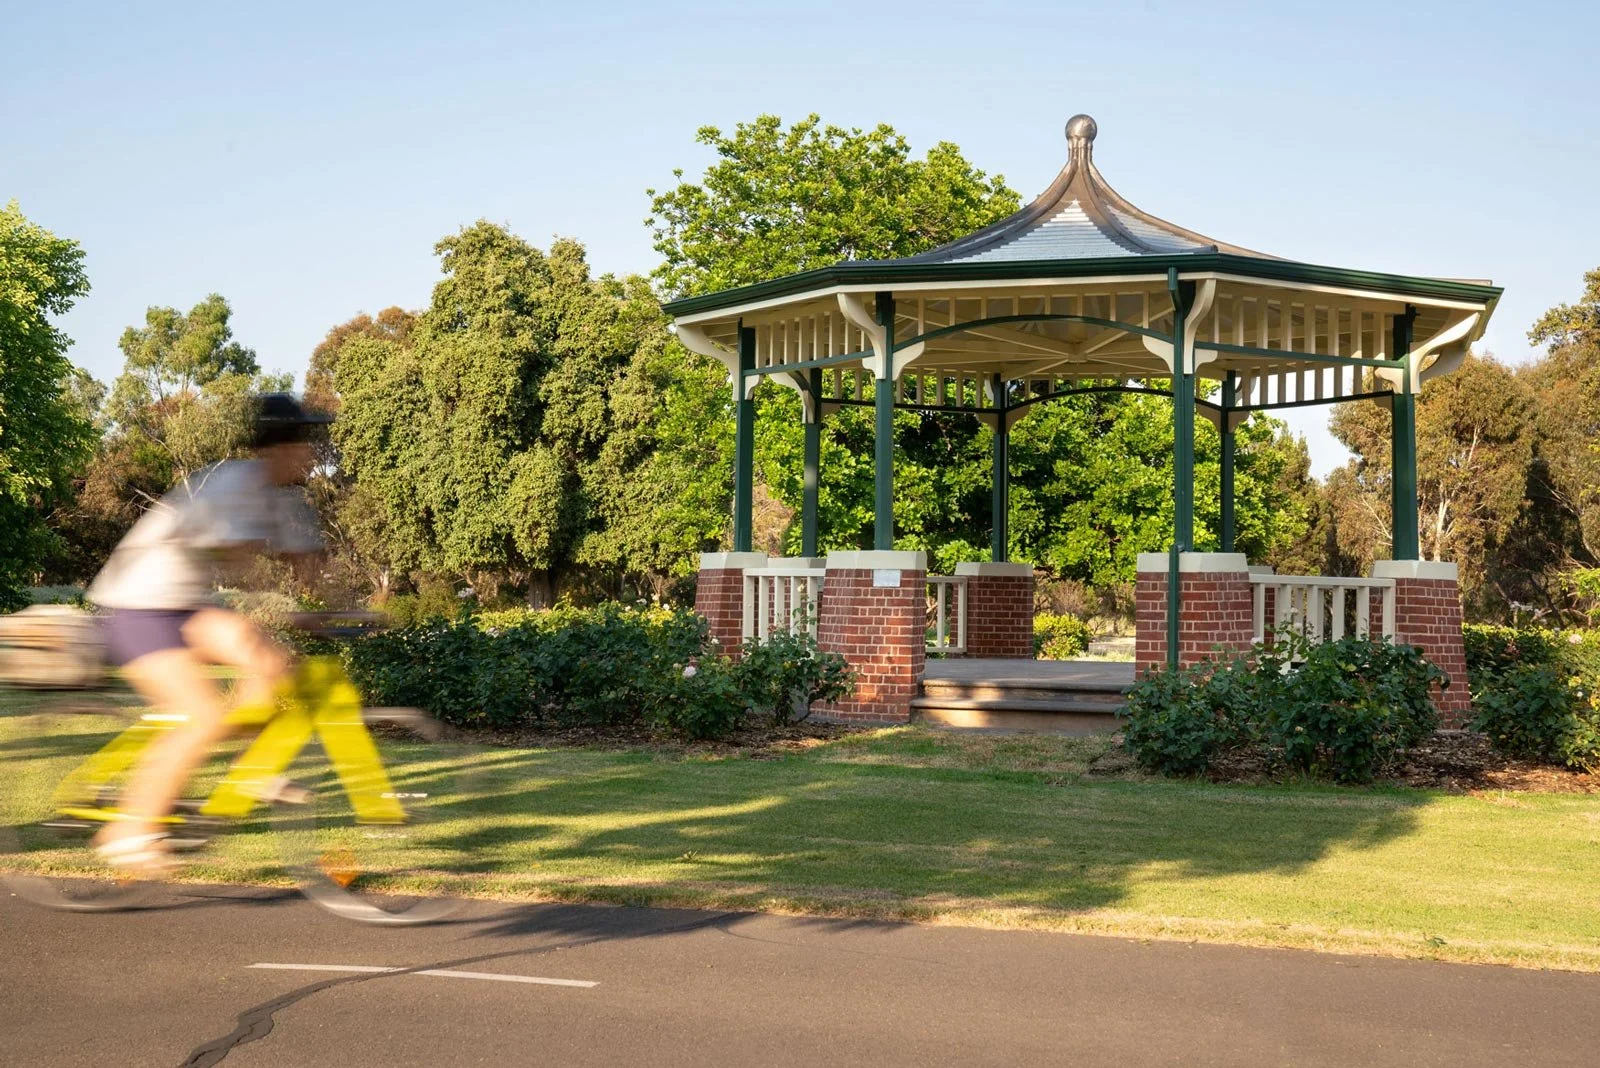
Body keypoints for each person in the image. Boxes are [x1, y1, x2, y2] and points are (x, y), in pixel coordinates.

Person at [86, 393, 329, 872]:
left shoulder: (277, 497)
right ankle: (128, 831)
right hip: (136, 604)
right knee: (200, 716)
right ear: (280, 449)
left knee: (273, 662)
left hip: (180, 605)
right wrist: (285, 598)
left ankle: (252, 769)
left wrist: (338, 609)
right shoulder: (235, 483)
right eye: (305, 446)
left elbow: (304, 566)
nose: (311, 455)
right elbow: (242, 560)